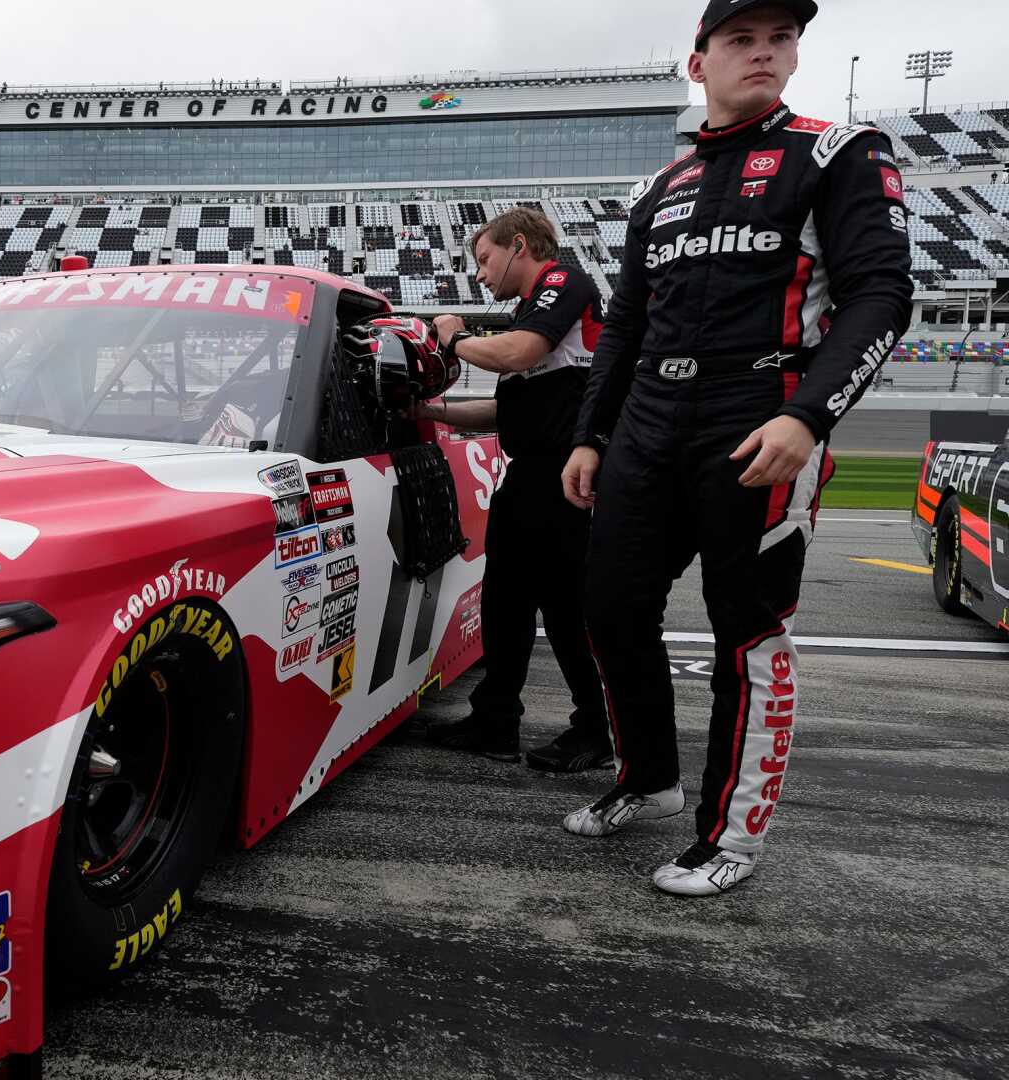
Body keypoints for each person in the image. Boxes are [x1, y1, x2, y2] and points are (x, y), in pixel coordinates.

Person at [559, 0, 912, 895]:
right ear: (698, 63)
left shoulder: (838, 150)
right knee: (607, 606)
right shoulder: (657, 189)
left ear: (795, 53)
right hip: (647, 418)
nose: (763, 53)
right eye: (740, 40)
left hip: (758, 408)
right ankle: (649, 778)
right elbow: (625, 325)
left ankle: (733, 832)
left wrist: (810, 414)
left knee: (746, 631)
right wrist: (590, 435)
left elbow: (879, 295)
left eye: (779, 39)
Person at [417, 208, 611, 772]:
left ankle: (596, 730)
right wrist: (428, 410)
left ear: (518, 245)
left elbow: (515, 355)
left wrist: (453, 338)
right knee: (505, 603)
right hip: (531, 475)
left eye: (484, 260)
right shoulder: (529, 314)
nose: (480, 275)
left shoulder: (561, 281)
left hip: (566, 476)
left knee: (567, 609)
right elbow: (506, 410)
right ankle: (495, 719)